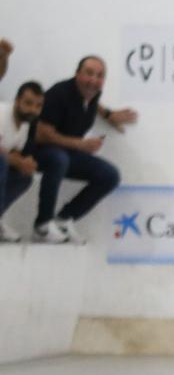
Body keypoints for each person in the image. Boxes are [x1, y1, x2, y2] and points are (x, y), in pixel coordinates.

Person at [31, 56, 135, 244]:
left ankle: (63, 220)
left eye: (100, 76)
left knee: (109, 175)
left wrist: (109, 115)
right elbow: (41, 134)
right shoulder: (59, 94)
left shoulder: (91, 95)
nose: (93, 80)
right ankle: (43, 226)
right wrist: (80, 144)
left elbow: (93, 103)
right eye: (89, 73)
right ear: (77, 74)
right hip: (39, 152)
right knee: (58, 159)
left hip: (66, 153)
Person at [0, 82, 44, 243]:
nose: (33, 110)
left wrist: (25, 162)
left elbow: (14, 152)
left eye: (38, 106)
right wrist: (19, 162)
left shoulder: (25, 124)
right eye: (28, 103)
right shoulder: (2, 114)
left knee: (24, 176)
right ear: (17, 101)